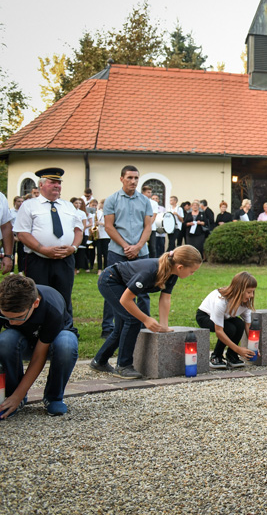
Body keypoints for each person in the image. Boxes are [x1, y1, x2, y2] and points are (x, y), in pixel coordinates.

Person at [90, 245, 203, 379]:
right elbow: (125, 300)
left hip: (123, 286)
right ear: (180, 267)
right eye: (192, 271)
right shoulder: (149, 272)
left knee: (122, 326)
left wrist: (164, 326)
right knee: (132, 319)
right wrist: (145, 319)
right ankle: (124, 366)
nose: (192, 274)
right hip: (110, 280)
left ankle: (99, 361)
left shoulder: (172, 274)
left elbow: (165, 298)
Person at [0, 276, 78, 417]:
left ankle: (53, 397)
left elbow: (38, 357)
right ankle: (11, 397)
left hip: (53, 342)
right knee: (5, 341)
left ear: (35, 303)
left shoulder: (52, 308)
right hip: (20, 341)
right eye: (6, 317)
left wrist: (19, 394)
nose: (11, 322)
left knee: (66, 346)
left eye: (18, 317)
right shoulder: (4, 303)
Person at [13, 168, 83, 324]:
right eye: (52, 182)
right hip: (38, 260)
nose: (57, 186)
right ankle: (38, 329)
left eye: (59, 183)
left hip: (65, 260)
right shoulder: (29, 206)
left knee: (64, 296)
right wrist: (43, 249)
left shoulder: (68, 206)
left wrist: (73, 248)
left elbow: (79, 230)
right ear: (41, 185)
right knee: (38, 297)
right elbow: (22, 233)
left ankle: (65, 328)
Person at [100, 166, 154, 338]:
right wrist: (125, 246)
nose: (133, 181)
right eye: (129, 177)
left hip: (141, 252)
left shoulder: (145, 201)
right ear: (121, 178)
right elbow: (109, 227)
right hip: (118, 251)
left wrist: (138, 246)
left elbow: (148, 226)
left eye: (136, 178)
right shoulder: (112, 200)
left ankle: (144, 326)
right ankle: (109, 327)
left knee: (143, 290)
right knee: (114, 289)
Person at [195, 272, 257, 369]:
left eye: (253, 292)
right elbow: (219, 331)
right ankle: (216, 357)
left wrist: (254, 347)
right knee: (229, 329)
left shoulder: (245, 302)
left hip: (225, 318)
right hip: (205, 316)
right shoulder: (221, 302)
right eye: (249, 292)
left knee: (240, 324)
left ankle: (232, 356)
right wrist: (238, 349)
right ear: (239, 290)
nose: (251, 295)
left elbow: (247, 325)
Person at [71, 197, 93, 273]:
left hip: (79, 233)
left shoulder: (82, 213)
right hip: (71, 233)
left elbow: (83, 225)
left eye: (79, 203)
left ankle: (78, 268)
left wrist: (81, 234)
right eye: (76, 203)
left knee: (80, 252)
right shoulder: (69, 211)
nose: (78, 205)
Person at [11, 195, 25, 273]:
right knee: (12, 252)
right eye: (19, 201)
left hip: (21, 234)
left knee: (21, 253)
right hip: (12, 234)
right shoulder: (11, 212)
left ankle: (20, 270)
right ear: (15, 202)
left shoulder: (24, 212)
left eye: (22, 201)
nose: (21, 203)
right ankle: (11, 271)